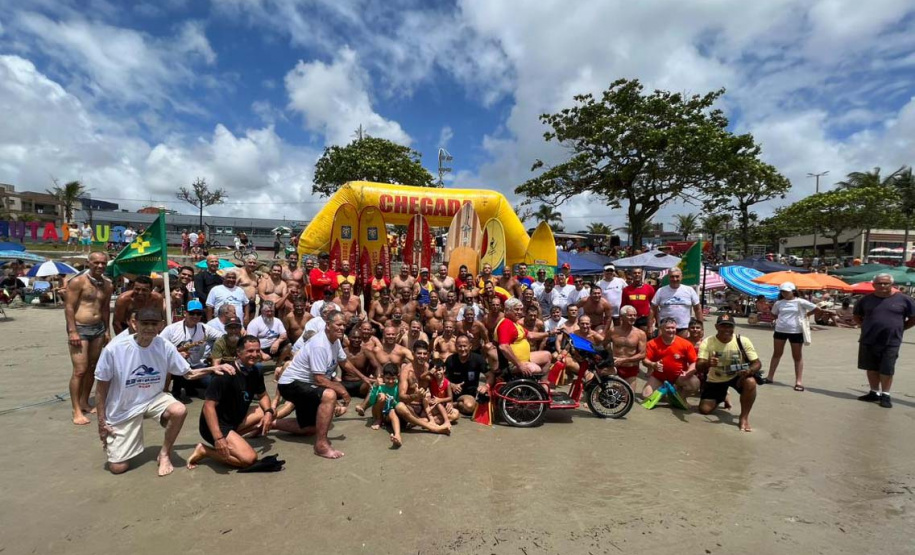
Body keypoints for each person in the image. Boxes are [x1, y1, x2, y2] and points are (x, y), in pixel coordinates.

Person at [94, 308, 233, 476]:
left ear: (160, 326)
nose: (150, 328)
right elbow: (101, 386)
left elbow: (188, 374)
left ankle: (165, 453)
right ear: (134, 323)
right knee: (118, 468)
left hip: (153, 398)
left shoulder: (164, 345)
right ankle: (116, 443)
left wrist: (213, 368)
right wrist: (102, 422)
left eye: (154, 324)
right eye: (145, 323)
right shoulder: (114, 348)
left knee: (179, 410)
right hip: (124, 406)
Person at [271, 311, 353, 459]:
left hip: (306, 384)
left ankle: (271, 423)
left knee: (311, 428)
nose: (342, 328)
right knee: (329, 394)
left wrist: (365, 379)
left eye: (344, 325)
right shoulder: (320, 344)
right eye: (338, 324)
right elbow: (319, 380)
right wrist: (343, 392)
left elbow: (344, 363)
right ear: (328, 325)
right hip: (290, 384)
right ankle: (321, 445)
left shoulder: (335, 342)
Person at [187, 336, 275, 470]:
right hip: (216, 426)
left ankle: (234, 438)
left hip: (234, 419)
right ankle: (205, 451)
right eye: (250, 351)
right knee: (249, 459)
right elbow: (208, 407)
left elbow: (263, 395)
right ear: (238, 353)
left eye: (258, 351)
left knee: (267, 411)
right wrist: (218, 438)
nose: (255, 355)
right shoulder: (226, 374)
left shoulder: (256, 371)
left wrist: (269, 412)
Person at [64, 251, 113, 425]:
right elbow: (69, 307)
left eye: (103, 263)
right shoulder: (78, 282)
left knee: (93, 367)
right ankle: (76, 409)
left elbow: (106, 308)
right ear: (89, 263)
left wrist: (107, 330)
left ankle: (84, 401)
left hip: (98, 329)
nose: (100, 266)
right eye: (96, 263)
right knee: (79, 370)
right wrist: (72, 331)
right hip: (80, 328)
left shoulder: (107, 285)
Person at [854, 273, 915, 409]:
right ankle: (874, 392)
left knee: (887, 368)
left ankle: (885, 394)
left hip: (891, 340)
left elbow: (913, 318)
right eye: (879, 283)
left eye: (886, 283)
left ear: (891, 284)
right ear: (873, 284)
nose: (882, 286)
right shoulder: (865, 300)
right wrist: (866, 326)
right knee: (871, 367)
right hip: (868, 338)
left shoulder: (905, 300)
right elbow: (857, 316)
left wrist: (900, 328)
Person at [696, 314, 760, 431]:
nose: (726, 330)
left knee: (751, 382)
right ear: (716, 327)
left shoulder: (742, 341)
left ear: (733, 327)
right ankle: (723, 395)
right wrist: (708, 363)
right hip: (716, 378)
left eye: (729, 326)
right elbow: (699, 366)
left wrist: (749, 370)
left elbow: (757, 363)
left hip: (738, 376)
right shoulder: (708, 342)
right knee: (704, 410)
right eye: (723, 326)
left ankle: (744, 417)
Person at [159, 299, 225, 399]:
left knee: (212, 383)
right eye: (192, 313)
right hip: (175, 368)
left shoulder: (204, 328)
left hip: (196, 366)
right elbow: (159, 347)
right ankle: (174, 392)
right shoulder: (172, 329)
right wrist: (176, 355)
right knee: (180, 362)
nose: (195, 316)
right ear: (185, 313)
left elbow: (223, 337)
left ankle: (190, 386)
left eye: (198, 313)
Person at [763, 282, 818, 391]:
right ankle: (770, 377)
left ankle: (798, 381)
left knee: (797, 356)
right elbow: (774, 314)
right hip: (780, 330)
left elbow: (815, 308)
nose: (784, 293)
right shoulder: (779, 303)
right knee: (777, 353)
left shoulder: (800, 301)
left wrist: (806, 315)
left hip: (796, 331)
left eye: (786, 291)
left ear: (793, 291)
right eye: (782, 291)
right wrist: (769, 311)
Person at [642, 317, 699, 402]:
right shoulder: (652, 343)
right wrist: (652, 364)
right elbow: (645, 360)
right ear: (661, 329)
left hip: (679, 376)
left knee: (694, 383)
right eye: (668, 328)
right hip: (659, 377)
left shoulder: (686, 344)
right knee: (646, 396)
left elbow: (694, 362)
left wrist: (688, 373)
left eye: (673, 328)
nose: (671, 330)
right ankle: (666, 391)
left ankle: (680, 397)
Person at [496, 298, 556, 376]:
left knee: (547, 355)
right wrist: (519, 365)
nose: (519, 312)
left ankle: (543, 384)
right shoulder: (506, 324)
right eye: (516, 310)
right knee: (536, 368)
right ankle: (536, 385)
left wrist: (550, 333)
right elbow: (503, 347)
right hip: (513, 363)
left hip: (524, 357)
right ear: (507, 310)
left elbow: (530, 335)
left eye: (521, 310)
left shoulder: (514, 323)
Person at [356, 364, 402, 443]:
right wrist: (375, 387)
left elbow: (397, 403)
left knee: (393, 412)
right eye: (387, 378)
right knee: (382, 396)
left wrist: (393, 401)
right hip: (377, 411)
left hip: (389, 412)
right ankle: (378, 419)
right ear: (383, 376)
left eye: (393, 378)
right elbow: (372, 401)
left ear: (397, 376)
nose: (390, 381)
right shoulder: (380, 386)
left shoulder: (398, 386)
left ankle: (397, 435)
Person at [445, 334, 488, 415]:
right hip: (452, 394)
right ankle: (455, 404)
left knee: (469, 406)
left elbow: (490, 375)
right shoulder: (450, 359)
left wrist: (486, 386)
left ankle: (455, 405)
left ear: (470, 346)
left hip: (469, 394)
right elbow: (442, 378)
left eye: (465, 346)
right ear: (455, 346)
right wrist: (452, 385)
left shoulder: (478, 359)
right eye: (459, 346)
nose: (462, 349)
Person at [650, 268, 701, 337]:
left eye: (677, 276)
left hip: (684, 328)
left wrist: (701, 327)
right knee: (663, 347)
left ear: (681, 277)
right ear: (668, 277)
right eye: (672, 276)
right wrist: (650, 326)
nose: (674, 279)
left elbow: (698, 309)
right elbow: (652, 309)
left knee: (682, 347)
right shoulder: (661, 291)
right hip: (665, 328)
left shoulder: (689, 290)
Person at [605, 305, 647, 387]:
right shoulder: (613, 331)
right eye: (630, 315)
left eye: (635, 315)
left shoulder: (640, 334)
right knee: (613, 395)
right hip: (615, 368)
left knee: (628, 397)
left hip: (630, 368)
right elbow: (604, 345)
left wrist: (624, 360)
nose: (633, 317)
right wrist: (609, 357)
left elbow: (642, 354)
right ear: (622, 317)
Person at [621, 267, 655, 336]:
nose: (637, 274)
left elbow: (654, 306)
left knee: (646, 338)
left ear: (642, 274)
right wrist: (622, 320)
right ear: (631, 275)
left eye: (639, 273)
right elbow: (623, 306)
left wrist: (652, 322)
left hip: (644, 319)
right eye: (635, 273)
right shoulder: (626, 290)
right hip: (630, 319)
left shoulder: (649, 288)